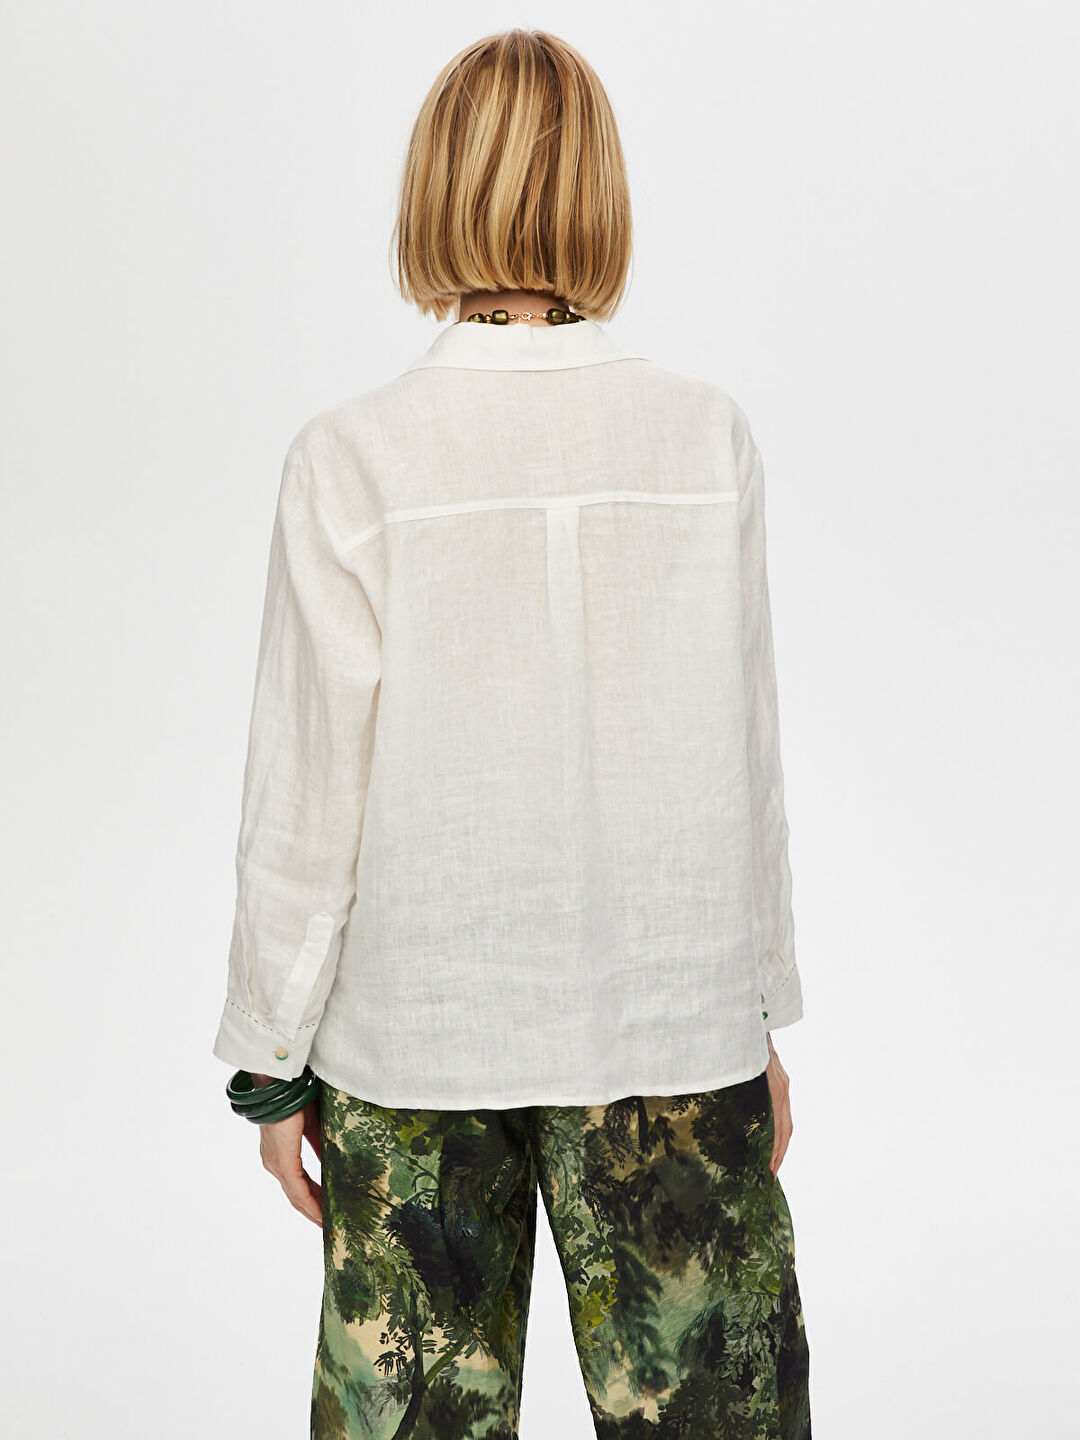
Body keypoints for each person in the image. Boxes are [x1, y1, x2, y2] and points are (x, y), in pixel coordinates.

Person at [213, 27, 811, 1440]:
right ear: (602, 191)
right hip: (671, 1035)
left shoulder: (354, 456)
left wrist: (270, 1060)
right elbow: (746, 764)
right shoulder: (703, 438)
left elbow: (307, 795)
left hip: (414, 1046)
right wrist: (757, 1012)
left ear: (432, 189)